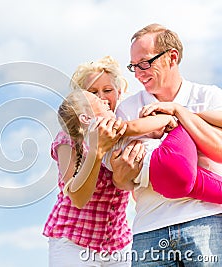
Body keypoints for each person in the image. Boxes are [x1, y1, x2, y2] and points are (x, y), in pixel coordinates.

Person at [111, 23, 222, 266]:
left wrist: (179, 113)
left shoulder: (209, 97)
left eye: (145, 63)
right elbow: (122, 183)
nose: (138, 73)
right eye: (134, 66)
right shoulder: (128, 110)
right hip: (149, 228)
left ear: (172, 57)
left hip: (206, 221)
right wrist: (122, 172)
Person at [43, 56, 137, 267]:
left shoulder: (126, 132)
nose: (102, 97)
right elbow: (78, 198)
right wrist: (97, 150)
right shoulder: (69, 138)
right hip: (73, 243)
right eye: (93, 93)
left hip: (118, 245)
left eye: (107, 90)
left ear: (119, 93)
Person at [61, 89, 222, 205]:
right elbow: (135, 127)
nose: (103, 100)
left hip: (161, 184)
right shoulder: (101, 126)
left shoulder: (90, 142)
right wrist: (168, 117)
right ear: (85, 118)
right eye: (96, 100)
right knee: (186, 120)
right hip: (167, 162)